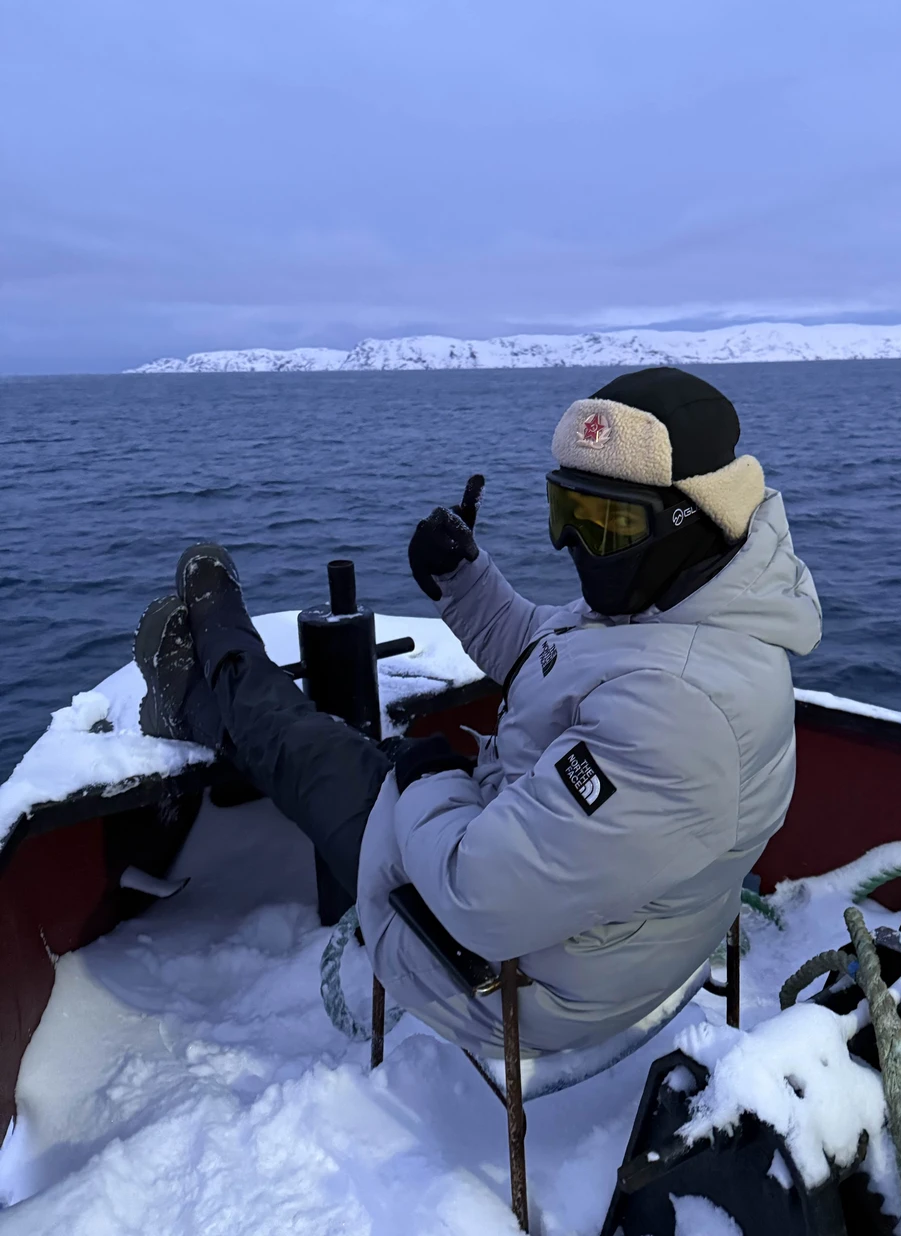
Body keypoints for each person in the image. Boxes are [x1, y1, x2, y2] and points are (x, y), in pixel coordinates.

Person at [136, 366, 821, 1056]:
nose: (574, 545)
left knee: (313, 751)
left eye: (608, 524)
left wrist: (430, 776)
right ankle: (208, 704)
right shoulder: (677, 609)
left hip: (513, 985)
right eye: (567, 511)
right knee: (356, 756)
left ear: (694, 516)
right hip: (585, 924)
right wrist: (463, 580)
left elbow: (475, 897)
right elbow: (548, 654)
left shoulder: (679, 712)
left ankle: (212, 662)